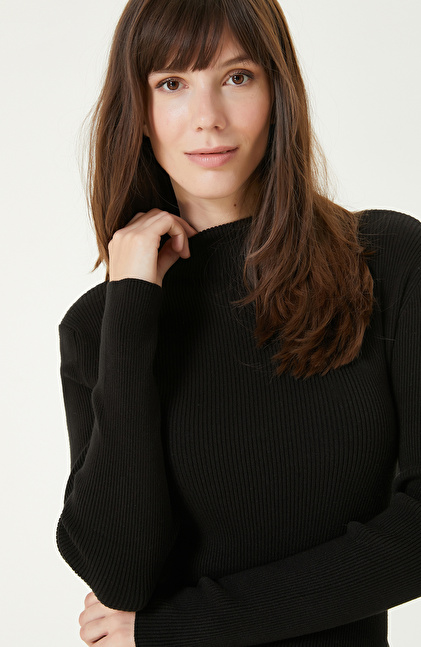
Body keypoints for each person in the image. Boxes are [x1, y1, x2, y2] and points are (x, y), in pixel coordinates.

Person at [56, 0, 421, 645]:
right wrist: (130, 305)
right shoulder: (102, 326)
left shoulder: (386, 260)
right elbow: (121, 575)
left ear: (278, 93)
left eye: (237, 76)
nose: (208, 117)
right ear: (138, 113)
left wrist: (181, 628)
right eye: (172, 83)